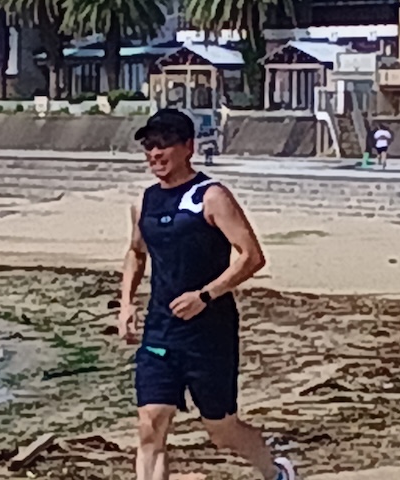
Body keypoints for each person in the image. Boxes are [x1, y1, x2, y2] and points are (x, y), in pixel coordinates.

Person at [118, 108, 296, 480]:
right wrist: (126, 303)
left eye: (165, 144)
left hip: (209, 333)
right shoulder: (145, 202)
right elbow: (136, 252)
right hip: (160, 331)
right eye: (149, 145)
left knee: (221, 430)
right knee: (151, 425)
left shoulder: (211, 196)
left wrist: (205, 295)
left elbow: (251, 256)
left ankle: (276, 471)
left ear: (188, 147)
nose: (155, 153)